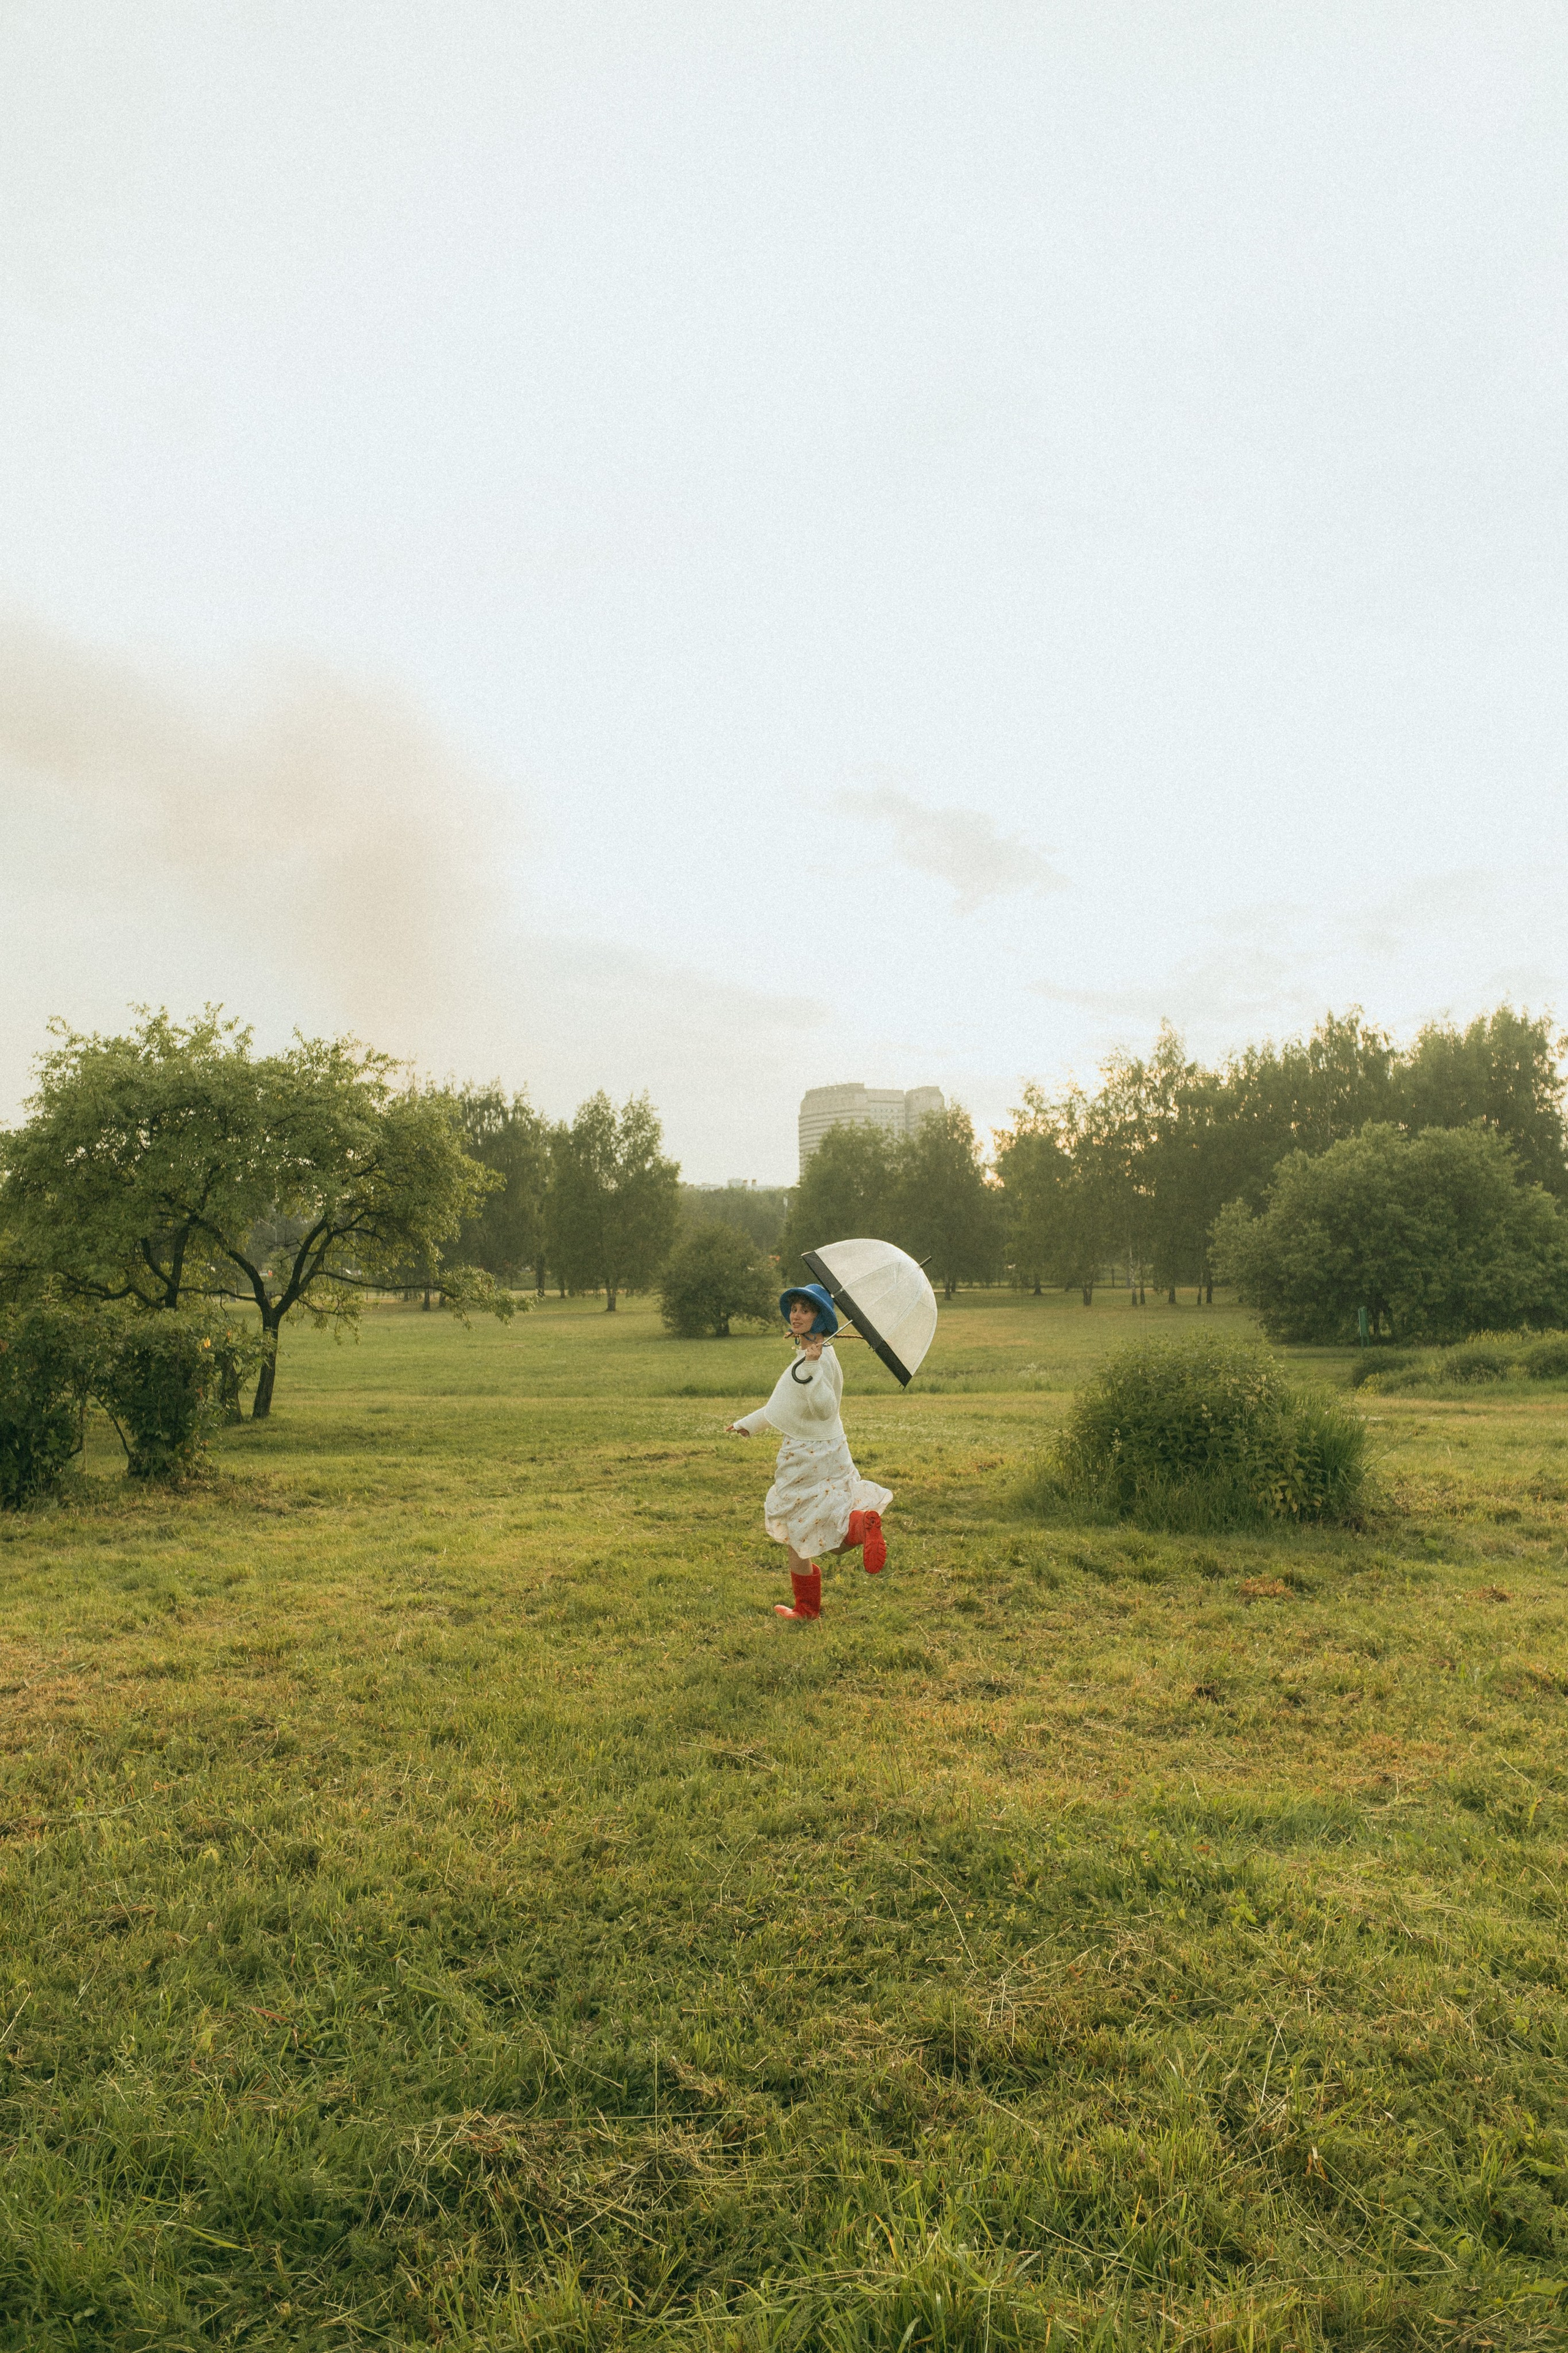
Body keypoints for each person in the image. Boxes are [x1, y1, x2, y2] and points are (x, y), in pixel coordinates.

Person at [726, 1283, 891, 1622]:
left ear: (821, 1318)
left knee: (797, 1531)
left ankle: (807, 1609)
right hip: (833, 1449)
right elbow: (785, 1405)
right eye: (794, 1308)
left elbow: (823, 1408)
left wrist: (814, 1367)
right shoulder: (811, 1355)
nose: (796, 1315)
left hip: (806, 1455)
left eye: (805, 1310)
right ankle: (859, 1524)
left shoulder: (819, 1358)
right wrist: (748, 1424)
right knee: (818, 1522)